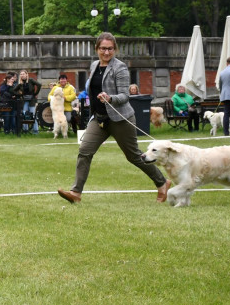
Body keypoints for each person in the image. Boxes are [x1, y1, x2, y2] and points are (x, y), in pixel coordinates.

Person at [58, 33, 170, 204]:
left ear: (115, 49)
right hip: (99, 119)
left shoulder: (120, 68)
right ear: (97, 49)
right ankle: (76, 193)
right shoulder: (94, 65)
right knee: (84, 151)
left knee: (133, 156)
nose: (106, 52)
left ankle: (162, 183)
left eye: (110, 49)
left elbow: (125, 95)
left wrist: (110, 98)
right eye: (103, 48)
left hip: (120, 119)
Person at [15, 69, 40, 134]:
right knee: (24, 115)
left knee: (33, 116)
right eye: (21, 74)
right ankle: (25, 130)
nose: (22, 75)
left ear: (26, 74)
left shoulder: (31, 80)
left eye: (23, 74)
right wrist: (19, 94)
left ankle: (35, 131)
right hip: (24, 101)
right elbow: (14, 90)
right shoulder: (20, 83)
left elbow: (39, 84)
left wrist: (35, 93)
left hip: (32, 100)